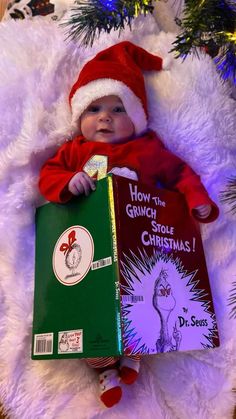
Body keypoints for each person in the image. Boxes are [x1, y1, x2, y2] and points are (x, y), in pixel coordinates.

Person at [39, 41, 219, 408]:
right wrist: (66, 183)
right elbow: (48, 175)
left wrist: (197, 200)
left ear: (136, 118)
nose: (105, 117)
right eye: (94, 108)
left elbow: (180, 174)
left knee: (148, 299)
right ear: (78, 116)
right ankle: (104, 368)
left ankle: (134, 353)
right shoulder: (76, 152)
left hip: (141, 246)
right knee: (90, 312)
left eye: (118, 109)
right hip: (90, 251)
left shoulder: (147, 150)